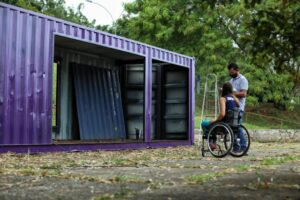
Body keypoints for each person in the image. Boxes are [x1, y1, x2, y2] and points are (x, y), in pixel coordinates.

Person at [201, 82, 240, 149]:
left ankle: (212, 142)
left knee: (204, 123)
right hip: (233, 124)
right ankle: (213, 142)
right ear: (231, 90)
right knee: (210, 124)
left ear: (223, 90)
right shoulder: (235, 100)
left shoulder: (223, 99)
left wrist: (215, 120)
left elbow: (222, 114)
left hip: (223, 124)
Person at [227, 62, 249, 152]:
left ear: (237, 70)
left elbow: (244, 94)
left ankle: (243, 147)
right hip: (231, 107)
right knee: (232, 128)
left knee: (238, 127)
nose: (231, 74)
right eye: (230, 72)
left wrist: (232, 93)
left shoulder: (243, 79)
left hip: (239, 108)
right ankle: (236, 147)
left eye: (232, 72)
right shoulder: (231, 81)